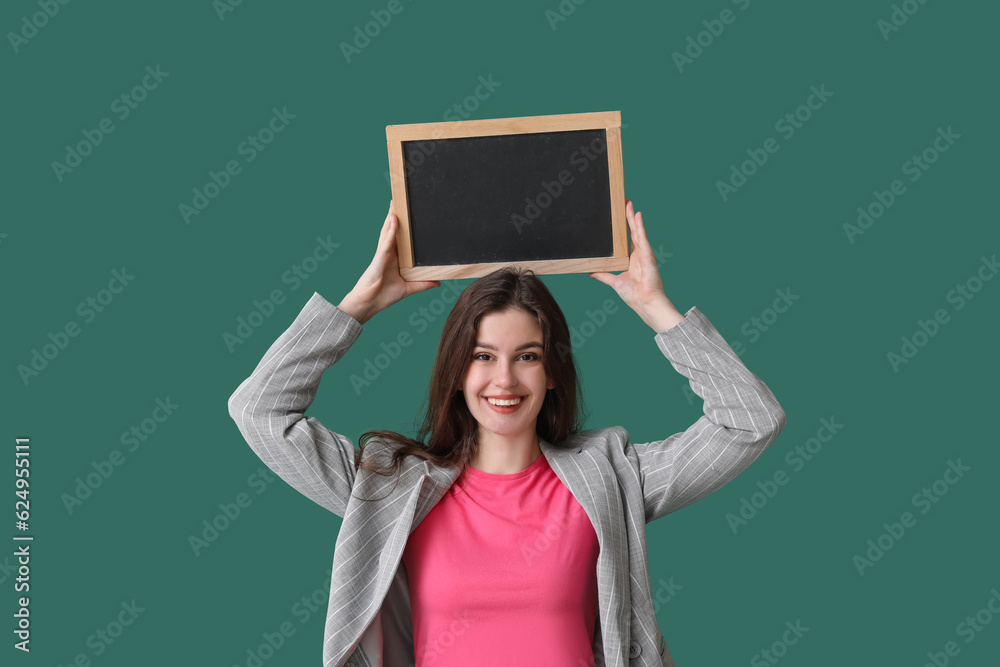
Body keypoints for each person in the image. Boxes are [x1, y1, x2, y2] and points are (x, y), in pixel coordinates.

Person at [228, 199, 786, 667]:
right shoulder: (390, 490)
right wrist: (359, 306)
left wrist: (656, 308)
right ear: (456, 370)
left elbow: (750, 420)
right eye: (482, 356)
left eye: (527, 356)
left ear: (552, 373)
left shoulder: (612, 478)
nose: (504, 379)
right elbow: (260, 411)